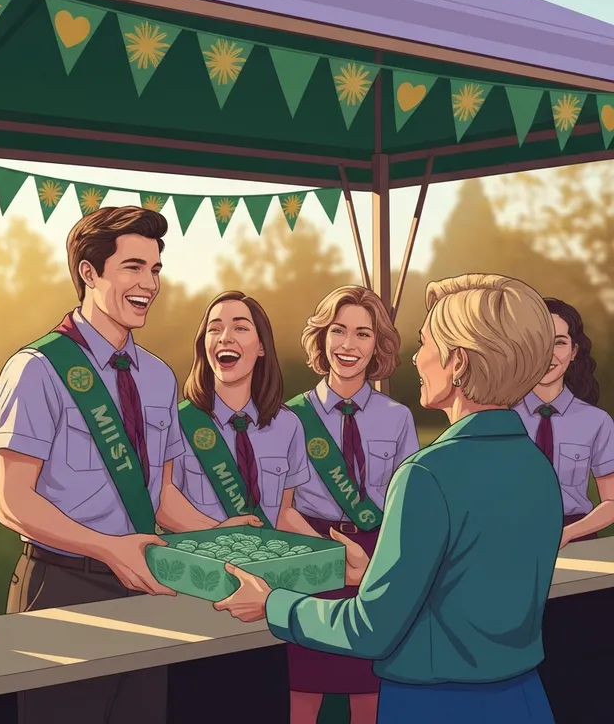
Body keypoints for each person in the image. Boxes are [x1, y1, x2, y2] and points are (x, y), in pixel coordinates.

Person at [215, 273, 562, 724]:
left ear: (457, 362)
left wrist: (270, 604)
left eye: (425, 343)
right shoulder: (537, 468)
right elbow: (468, 588)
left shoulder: (427, 474)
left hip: (437, 705)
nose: (416, 358)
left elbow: (370, 630)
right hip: (524, 699)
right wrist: (371, 573)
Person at [0, 206, 181, 724]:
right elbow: (12, 501)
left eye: (155, 269)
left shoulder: (160, 378)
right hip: (61, 587)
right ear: (89, 273)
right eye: (133, 267)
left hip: (144, 585)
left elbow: (160, 496)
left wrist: (220, 531)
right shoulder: (36, 368)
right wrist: (107, 548)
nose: (149, 283)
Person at [163, 290, 312, 724]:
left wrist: (330, 553)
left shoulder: (288, 425)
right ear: (203, 346)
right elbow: (160, 502)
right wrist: (220, 530)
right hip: (195, 601)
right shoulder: (176, 419)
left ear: (260, 346)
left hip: (266, 602)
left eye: (240, 327)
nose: (225, 336)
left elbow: (284, 514)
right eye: (215, 328)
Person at [285, 286, 420, 724]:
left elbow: (408, 503)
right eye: (338, 331)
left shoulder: (397, 417)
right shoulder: (289, 417)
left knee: (369, 682)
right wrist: (332, 552)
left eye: (363, 334)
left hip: (377, 551)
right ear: (321, 339)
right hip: (309, 548)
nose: (348, 345)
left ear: (377, 344)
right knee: (305, 683)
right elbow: (280, 508)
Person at [514, 298, 614, 547]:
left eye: (559, 342)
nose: (548, 353)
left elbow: (611, 502)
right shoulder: (503, 416)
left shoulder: (597, 421)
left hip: (579, 541)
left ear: (574, 351)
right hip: (514, 539)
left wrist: (568, 534)